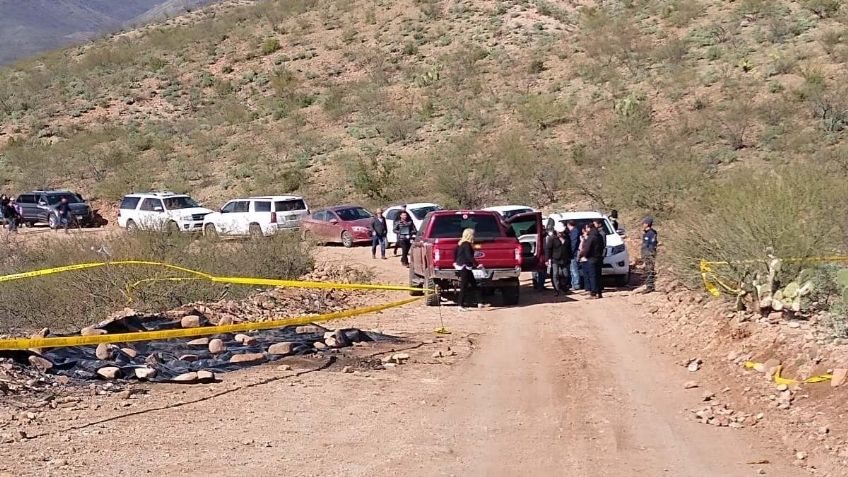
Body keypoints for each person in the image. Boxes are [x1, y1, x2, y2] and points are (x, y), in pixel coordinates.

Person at [454, 228, 479, 311]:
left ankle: (480, 301)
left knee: (474, 283)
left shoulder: (460, 244)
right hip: (465, 266)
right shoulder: (467, 244)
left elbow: (454, 252)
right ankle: (460, 305)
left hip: (463, 266)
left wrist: (455, 261)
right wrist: (477, 264)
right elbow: (469, 256)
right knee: (464, 286)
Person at [544, 222, 572, 296]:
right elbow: (548, 249)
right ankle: (557, 290)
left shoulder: (567, 237)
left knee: (566, 274)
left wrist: (570, 257)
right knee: (555, 274)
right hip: (555, 259)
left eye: (562, 232)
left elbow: (569, 249)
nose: (561, 233)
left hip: (564, 259)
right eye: (559, 232)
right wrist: (547, 259)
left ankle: (563, 287)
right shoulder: (552, 238)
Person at [580, 222, 606, 299]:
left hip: (591, 258)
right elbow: (602, 246)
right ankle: (599, 292)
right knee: (598, 276)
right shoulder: (599, 235)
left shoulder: (591, 237)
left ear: (589, 228)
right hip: (599, 258)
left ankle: (593, 293)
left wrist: (583, 255)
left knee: (592, 276)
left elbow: (587, 248)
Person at [641, 216, 658, 293]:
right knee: (647, 270)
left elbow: (651, 245)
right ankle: (648, 286)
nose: (643, 224)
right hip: (646, 254)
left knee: (650, 270)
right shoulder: (646, 233)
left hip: (649, 254)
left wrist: (650, 254)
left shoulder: (652, 233)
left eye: (644, 223)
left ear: (647, 224)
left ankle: (650, 286)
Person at [567, 220, 582, 291]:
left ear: (568, 225)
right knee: (572, 269)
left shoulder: (574, 232)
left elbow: (574, 243)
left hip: (574, 253)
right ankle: (573, 284)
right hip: (573, 253)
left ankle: (576, 284)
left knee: (574, 269)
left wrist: (570, 252)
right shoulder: (573, 232)